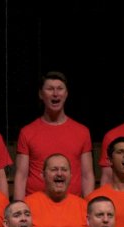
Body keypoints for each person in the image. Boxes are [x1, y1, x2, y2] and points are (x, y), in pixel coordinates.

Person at [15, 71, 94, 199]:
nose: (55, 93)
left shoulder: (82, 132)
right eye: (50, 89)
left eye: (60, 89)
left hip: (72, 204)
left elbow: (87, 175)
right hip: (36, 204)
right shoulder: (27, 132)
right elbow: (21, 176)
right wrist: (18, 207)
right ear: (41, 94)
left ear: (66, 94)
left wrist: (89, 206)